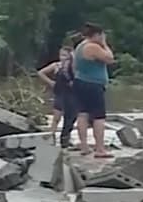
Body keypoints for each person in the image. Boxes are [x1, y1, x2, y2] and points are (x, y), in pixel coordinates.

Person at [73, 23, 115, 158]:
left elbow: (74, 66)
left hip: (80, 82)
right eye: (102, 35)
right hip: (93, 84)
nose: (103, 38)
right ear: (97, 35)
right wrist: (105, 44)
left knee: (82, 114)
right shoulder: (93, 47)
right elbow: (109, 59)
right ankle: (100, 149)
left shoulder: (80, 46)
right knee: (99, 117)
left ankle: (84, 146)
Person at [37, 43, 78, 148]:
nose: (62, 58)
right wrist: (50, 82)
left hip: (72, 94)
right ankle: (50, 137)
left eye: (65, 55)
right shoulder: (56, 65)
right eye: (61, 55)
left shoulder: (74, 66)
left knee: (70, 118)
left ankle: (65, 139)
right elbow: (41, 73)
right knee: (56, 117)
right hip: (59, 93)